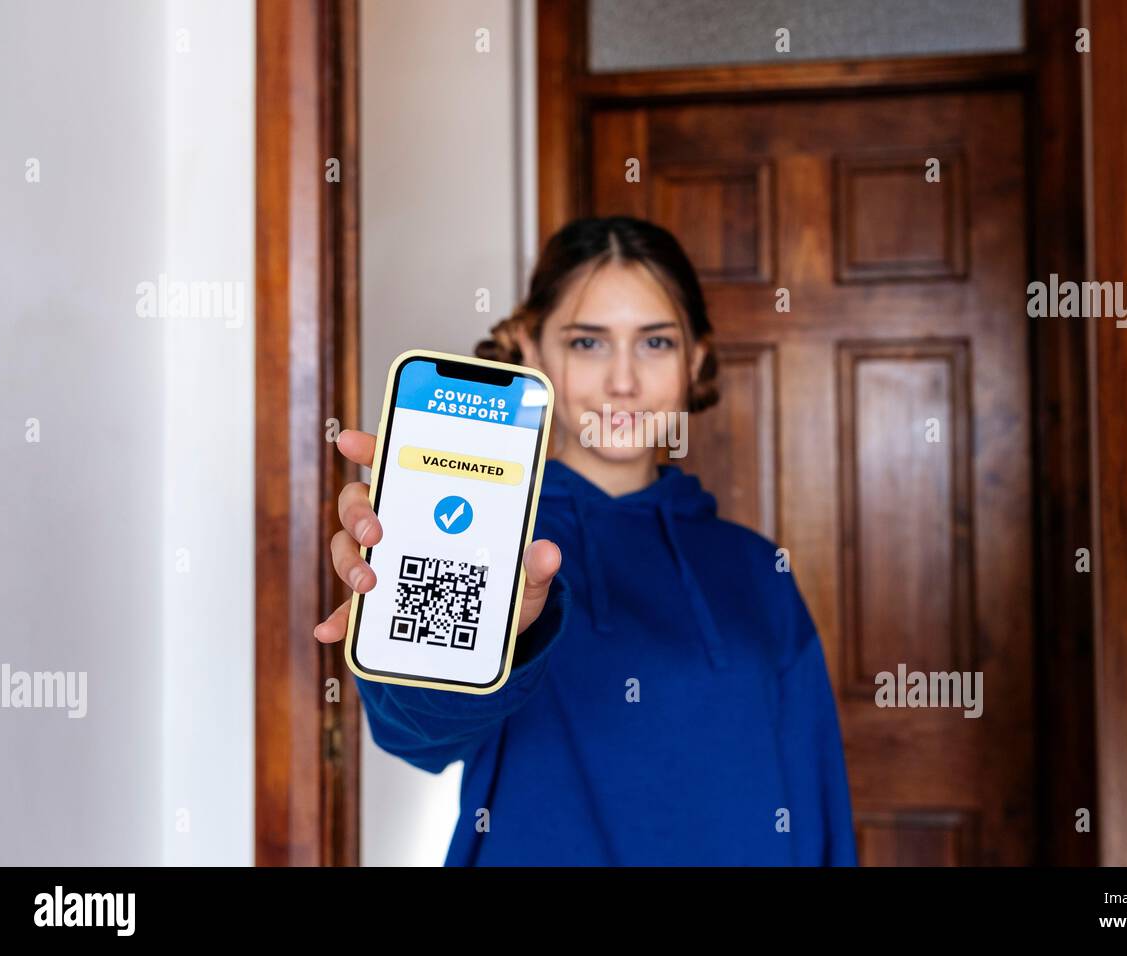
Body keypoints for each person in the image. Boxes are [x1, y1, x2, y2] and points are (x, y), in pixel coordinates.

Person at [313, 216, 858, 866]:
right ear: (530, 347)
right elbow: (416, 731)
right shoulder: (487, 539)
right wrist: (420, 600)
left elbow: (818, 802)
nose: (622, 381)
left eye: (655, 343)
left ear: (698, 357)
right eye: (588, 344)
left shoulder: (756, 567)